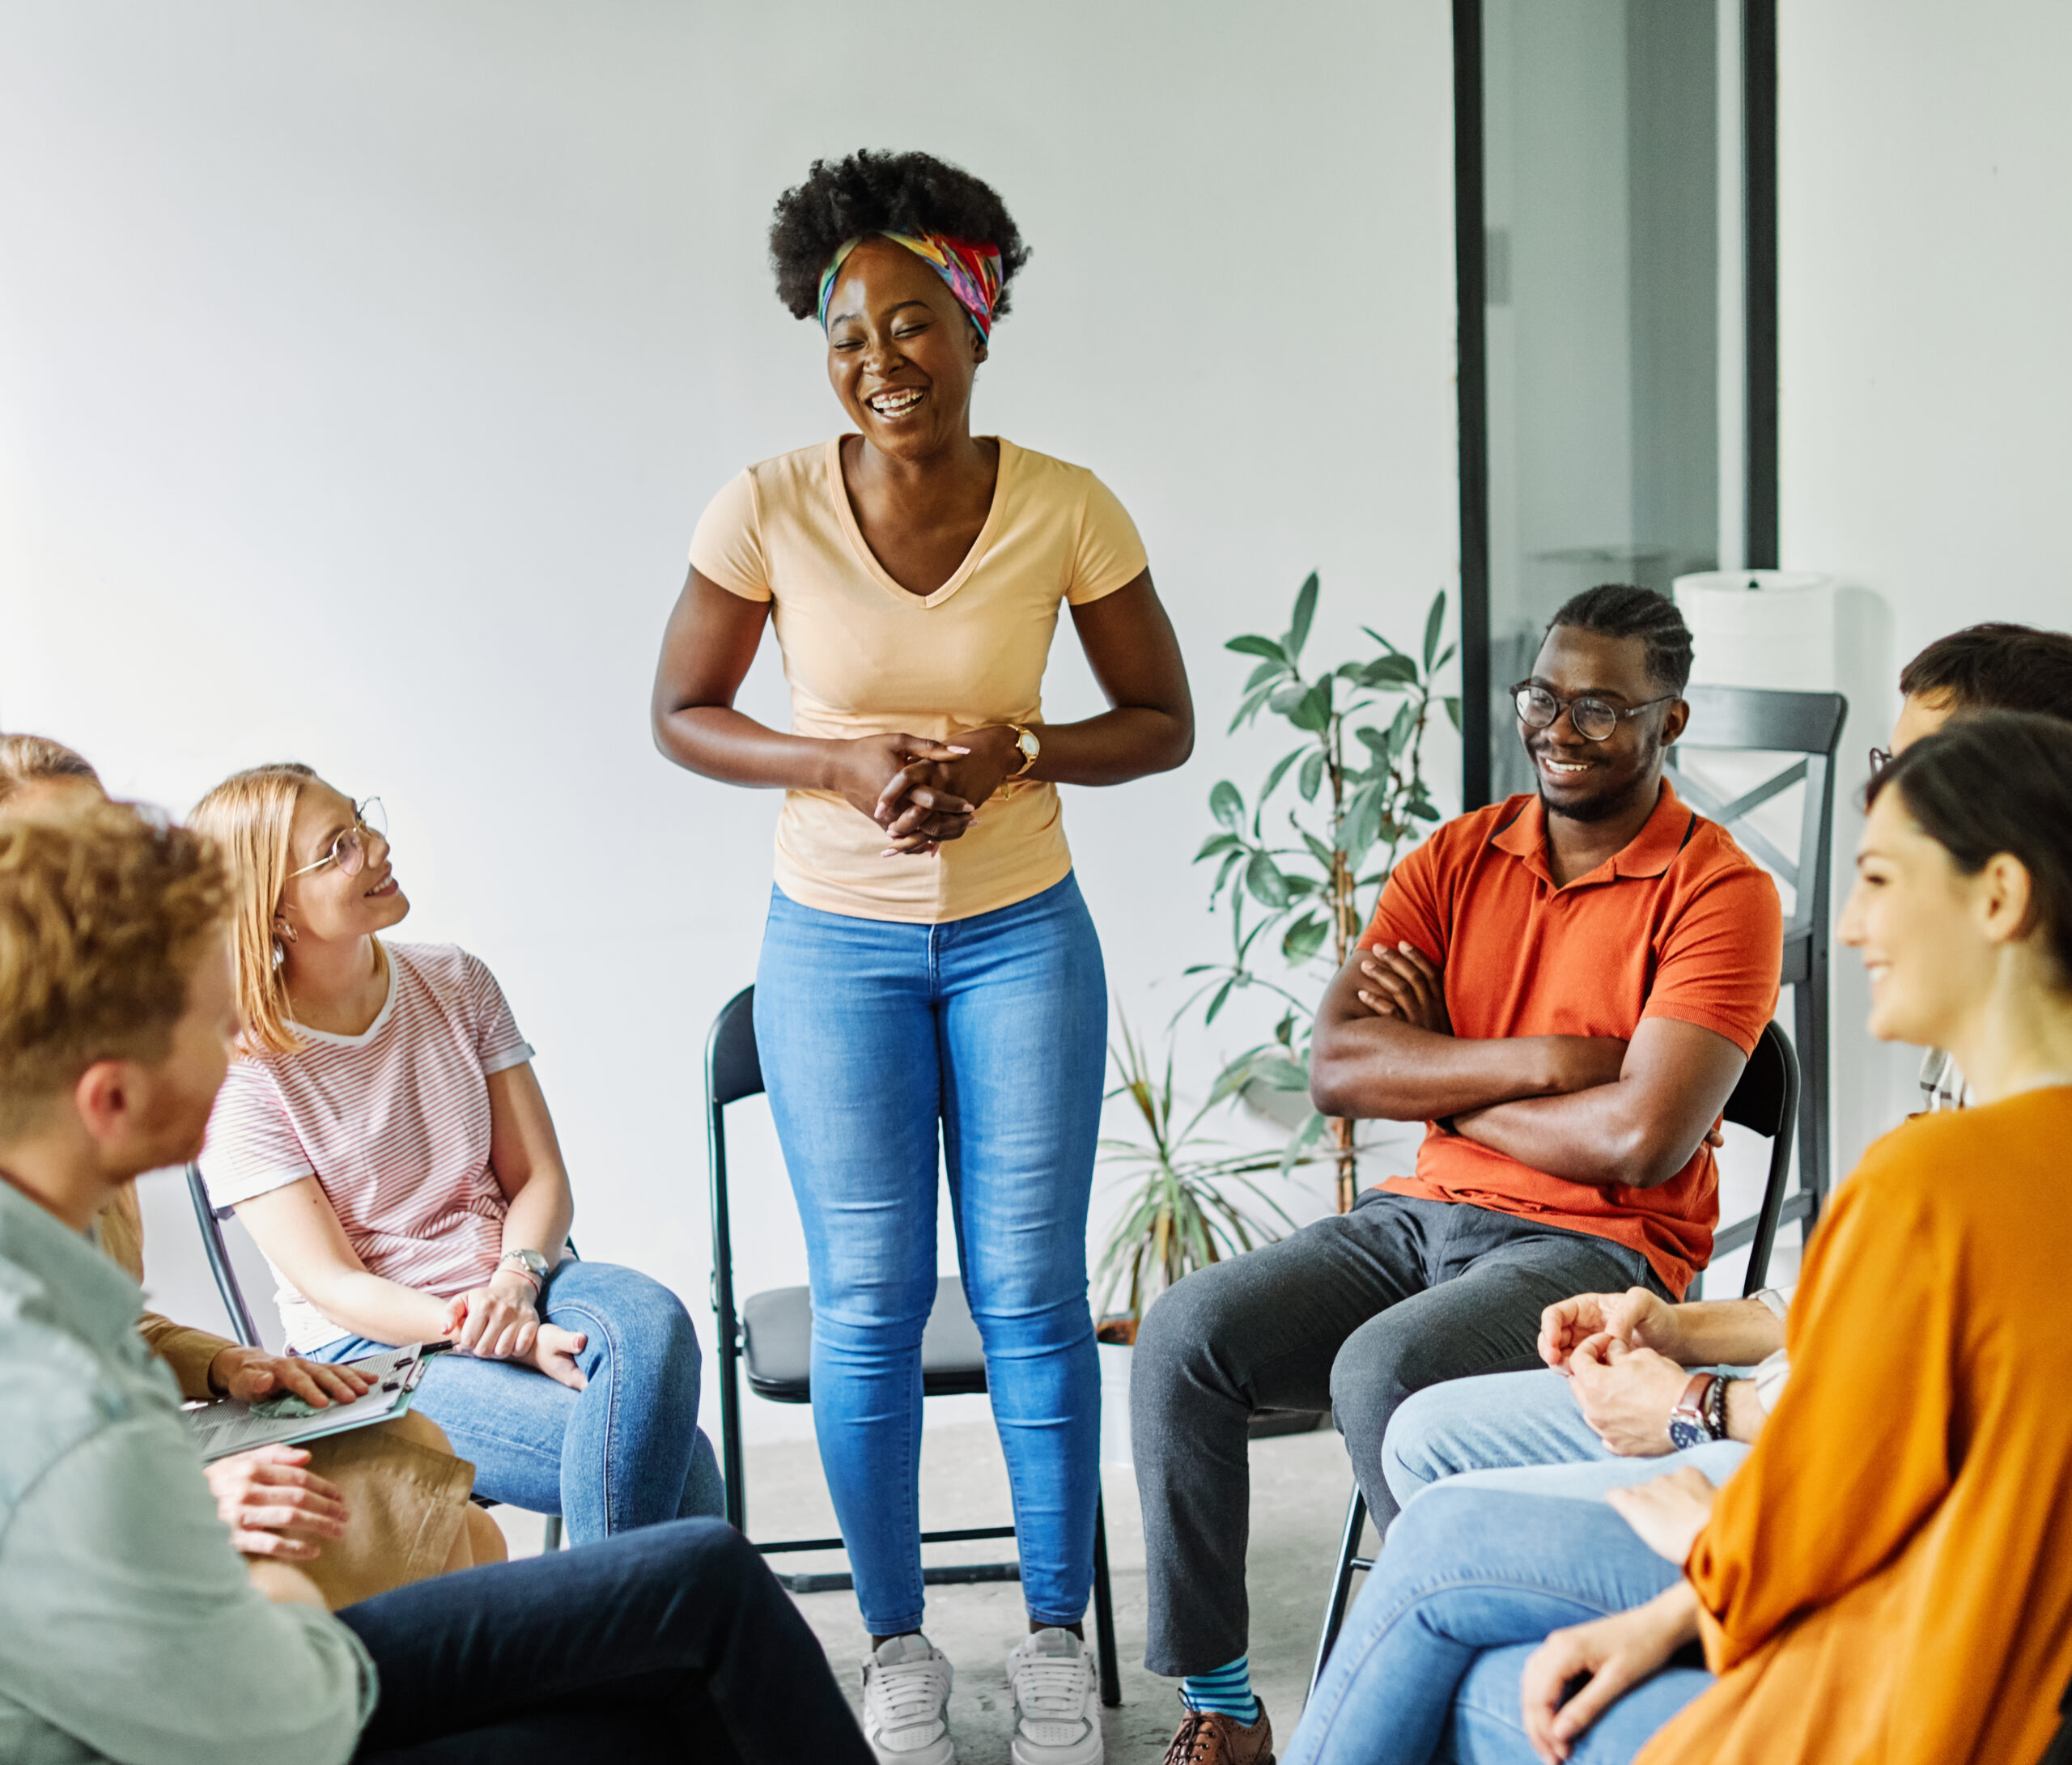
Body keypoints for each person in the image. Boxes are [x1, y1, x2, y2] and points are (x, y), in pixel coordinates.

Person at [651, 149, 1193, 1765]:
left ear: (976, 316)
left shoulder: (1064, 503)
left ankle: (1047, 1636)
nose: (875, 360)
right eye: (842, 332)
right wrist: (829, 760)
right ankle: (893, 1648)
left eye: (907, 324)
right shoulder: (762, 504)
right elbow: (681, 713)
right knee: (872, 1299)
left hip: (1023, 935)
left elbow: (1158, 721)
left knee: (1029, 1288)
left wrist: (1011, 745)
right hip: (831, 947)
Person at [0, 800, 875, 1765]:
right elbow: (284, 1722)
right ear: (112, 1100)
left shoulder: (57, 1297)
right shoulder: (65, 1413)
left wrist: (514, 1282)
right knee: (672, 1652)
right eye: (211, 1026)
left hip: (273, 1668)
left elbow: (541, 1180)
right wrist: (249, 1559)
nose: (232, 1046)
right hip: (285, 1703)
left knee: (696, 1570)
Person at [1284, 708, 2072, 1765]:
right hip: (1981, 1689)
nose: (1847, 927)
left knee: (1464, 1625)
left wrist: (1703, 1523)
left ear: (2000, 895)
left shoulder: (1934, 1186)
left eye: (1880, 879)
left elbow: (1818, 1524)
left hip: (1876, 1706)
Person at [1130, 585, 1782, 1763]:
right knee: (1184, 1332)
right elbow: (1337, 1064)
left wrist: (1438, 1075)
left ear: (1669, 722)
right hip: (1417, 1214)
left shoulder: (1721, 891)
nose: (1560, 728)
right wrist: (1547, 1063)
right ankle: (1227, 1710)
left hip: (1598, 1248)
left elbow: (1643, 1141)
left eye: (1600, 707)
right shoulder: (1457, 854)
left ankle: (1431, 1695)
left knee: (1387, 1368)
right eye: (1545, 697)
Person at [1379, 618, 2072, 1513]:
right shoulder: (1971, 1059)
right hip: (1771, 1396)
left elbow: (1938, 1413)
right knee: (1423, 1435)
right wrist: (1680, 1328)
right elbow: (1339, 1064)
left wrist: (1694, 1406)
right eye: (1545, 702)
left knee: (1441, 1515)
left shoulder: (2001, 1142)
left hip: (1807, 1452)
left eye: (1913, 780)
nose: (1850, 925)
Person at [1, 733, 503, 1602]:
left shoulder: (90, 1152)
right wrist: (179, 1500)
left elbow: (96, 1336)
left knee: (453, 1499)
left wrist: (224, 1363)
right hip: (78, 1534)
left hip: (140, 1457)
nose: (112, 881)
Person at [189, 763, 722, 1543]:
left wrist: (515, 1284)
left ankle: (618, 1652)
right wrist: (481, 1326)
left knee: (653, 1317)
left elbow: (539, 1177)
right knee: (680, 1461)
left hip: (522, 1275)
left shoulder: (456, 978)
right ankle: (633, 1656)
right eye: (337, 848)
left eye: (361, 821)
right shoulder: (241, 1074)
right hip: (376, 1350)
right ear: (276, 909)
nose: (374, 847)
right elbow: (336, 1286)